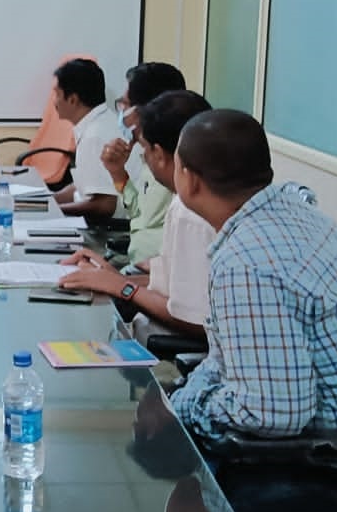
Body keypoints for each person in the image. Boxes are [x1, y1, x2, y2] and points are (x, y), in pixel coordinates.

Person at [167, 110, 337, 512]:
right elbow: (229, 364)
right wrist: (182, 402)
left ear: (189, 180)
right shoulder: (293, 216)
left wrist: (189, 407)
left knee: (154, 486)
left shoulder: (247, 262)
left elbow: (273, 413)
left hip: (333, 473)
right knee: (167, 437)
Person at [57, 90, 214, 338]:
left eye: (145, 149)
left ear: (159, 154)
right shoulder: (193, 200)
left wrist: (123, 287)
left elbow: (193, 317)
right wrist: (110, 278)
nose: (143, 157)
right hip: (146, 297)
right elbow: (174, 289)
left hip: (159, 338)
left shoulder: (189, 212)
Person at [104, 62, 187, 265]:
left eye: (124, 104)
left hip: (150, 273)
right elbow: (141, 216)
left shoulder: (170, 163)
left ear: (144, 111)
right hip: (137, 265)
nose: (121, 112)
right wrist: (118, 174)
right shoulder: (149, 155)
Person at [48, 58, 120, 221]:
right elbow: (83, 186)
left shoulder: (95, 136)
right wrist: (45, 201)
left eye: (57, 94)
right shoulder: (100, 122)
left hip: (107, 227)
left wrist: (53, 211)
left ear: (73, 99)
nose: (54, 101)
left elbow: (105, 205)